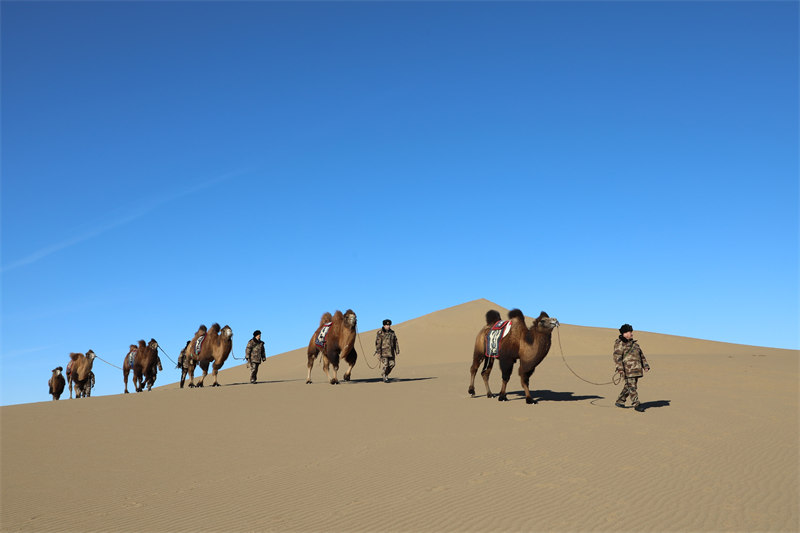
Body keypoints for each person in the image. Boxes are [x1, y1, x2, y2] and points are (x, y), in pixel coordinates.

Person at [613, 324, 650, 412]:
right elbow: (617, 357)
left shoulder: (635, 345)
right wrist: (620, 369)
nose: (632, 334)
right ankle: (636, 404)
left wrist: (646, 366)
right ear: (624, 333)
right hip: (627, 370)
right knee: (632, 387)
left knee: (628, 386)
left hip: (636, 370)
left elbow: (642, 356)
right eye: (630, 332)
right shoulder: (620, 344)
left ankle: (620, 401)